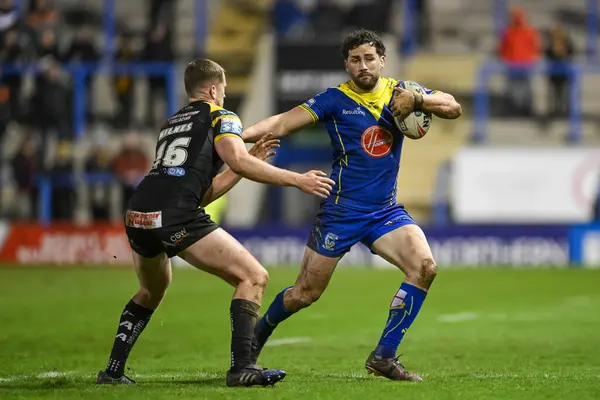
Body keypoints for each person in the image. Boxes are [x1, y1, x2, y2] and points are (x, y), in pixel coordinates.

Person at [97, 59, 335, 387]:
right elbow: (234, 160)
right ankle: (243, 368)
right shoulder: (221, 116)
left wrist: (246, 162)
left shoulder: (172, 123)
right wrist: (297, 180)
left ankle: (112, 371)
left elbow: (203, 191)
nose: (223, 96)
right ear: (213, 89)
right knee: (253, 276)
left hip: (139, 213)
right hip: (175, 214)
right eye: (222, 90)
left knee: (152, 290)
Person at [242, 29, 462, 382]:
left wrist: (418, 101)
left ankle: (383, 357)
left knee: (424, 267)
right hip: (342, 213)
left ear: (382, 60)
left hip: (385, 213)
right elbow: (282, 122)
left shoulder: (401, 90)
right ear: (346, 64)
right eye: (356, 60)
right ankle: (255, 338)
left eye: (370, 58)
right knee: (304, 293)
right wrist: (235, 134)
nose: (363, 66)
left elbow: (453, 106)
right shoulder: (333, 100)